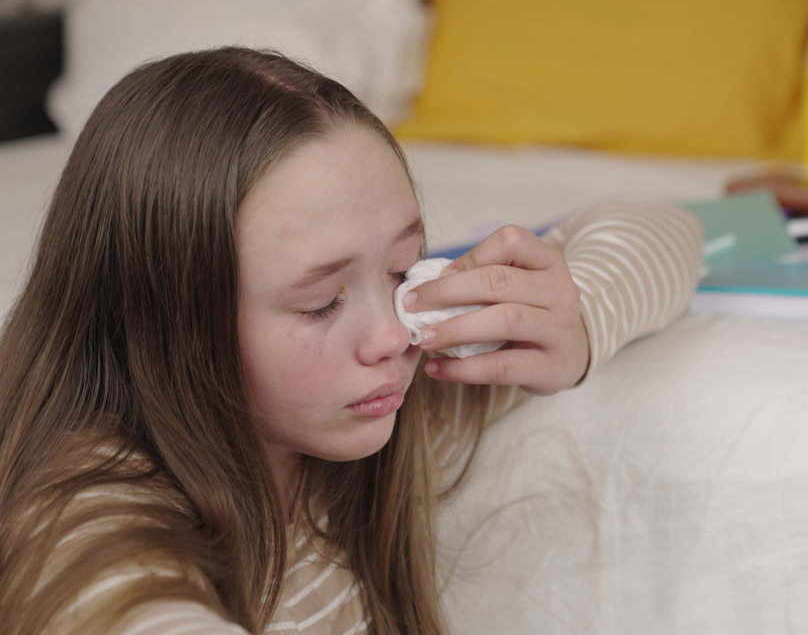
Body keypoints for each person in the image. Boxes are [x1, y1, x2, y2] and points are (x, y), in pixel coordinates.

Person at [0, 46, 704, 634]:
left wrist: (572, 324)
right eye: (321, 302)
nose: (395, 334)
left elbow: (665, 228)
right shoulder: (81, 521)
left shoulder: (389, 407)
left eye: (402, 268)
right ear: (163, 319)